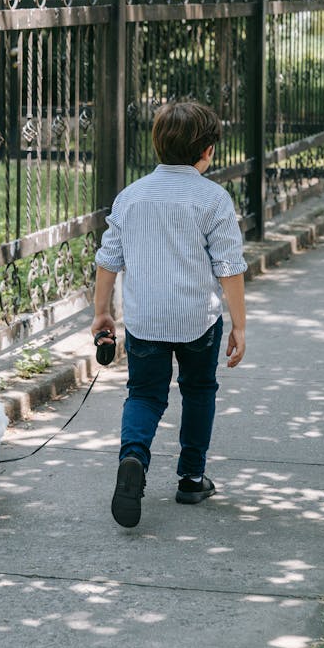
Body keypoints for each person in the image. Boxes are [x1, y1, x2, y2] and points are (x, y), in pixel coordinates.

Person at [91, 100, 247, 528]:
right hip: (198, 318)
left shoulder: (131, 197)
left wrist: (102, 313)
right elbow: (229, 267)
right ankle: (191, 477)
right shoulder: (213, 199)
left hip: (145, 320)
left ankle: (133, 459)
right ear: (208, 150)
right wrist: (240, 325)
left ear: (157, 144)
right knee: (198, 390)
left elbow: (108, 260)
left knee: (144, 394)